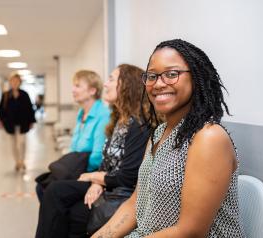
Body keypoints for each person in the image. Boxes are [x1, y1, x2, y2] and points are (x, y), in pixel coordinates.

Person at [92, 39, 246, 238]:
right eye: (152, 76)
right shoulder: (158, 134)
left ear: (196, 78)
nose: (159, 83)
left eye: (172, 74)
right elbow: (134, 203)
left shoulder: (208, 137)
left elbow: (190, 232)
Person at [35, 64, 152, 238]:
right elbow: (106, 162)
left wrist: (94, 178)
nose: (105, 85)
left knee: (68, 208)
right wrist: (96, 183)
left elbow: (127, 177)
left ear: (127, 85)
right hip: (107, 183)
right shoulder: (118, 120)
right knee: (52, 190)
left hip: (119, 190)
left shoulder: (138, 125)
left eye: (111, 79)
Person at [35, 70, 110, 201]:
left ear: (92, 91)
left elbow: (98, 157)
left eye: (78, 86)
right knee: (41, 184)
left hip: (89, 171)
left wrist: (76, 173)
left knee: (50, 190)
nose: (73, 90)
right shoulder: (82, 113)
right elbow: (75, 146)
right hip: (77, 165)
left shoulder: (103, 115)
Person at [0, 73, 36, 171]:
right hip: (10, 124)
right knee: (13, 144)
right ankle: (17, 162)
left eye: (17, 81)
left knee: (22, 143)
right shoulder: (6, 95)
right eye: (13, 81)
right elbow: (0, 109)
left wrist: (32, 121)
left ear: (20, 82)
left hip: (23, 123)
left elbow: (30, 108)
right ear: (10, 82)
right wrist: (1, 120)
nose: (15, 83)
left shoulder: (24, 94)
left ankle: (22, 161)